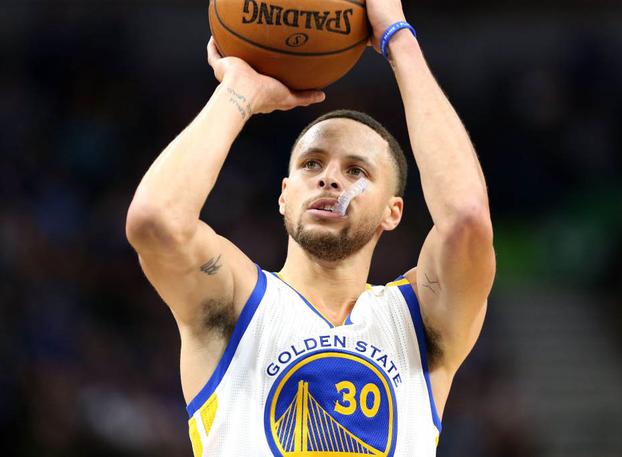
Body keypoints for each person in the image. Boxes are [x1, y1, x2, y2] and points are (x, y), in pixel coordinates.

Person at [125, 1, 495, 455]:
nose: (329, 179)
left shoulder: (419, 318)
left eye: (356, 170)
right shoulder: (236, 302)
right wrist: (239, 91)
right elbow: (155, 220)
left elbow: (467, 221)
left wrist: (398, 40)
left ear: (392, 212)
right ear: (284, 195)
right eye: (312, 164)